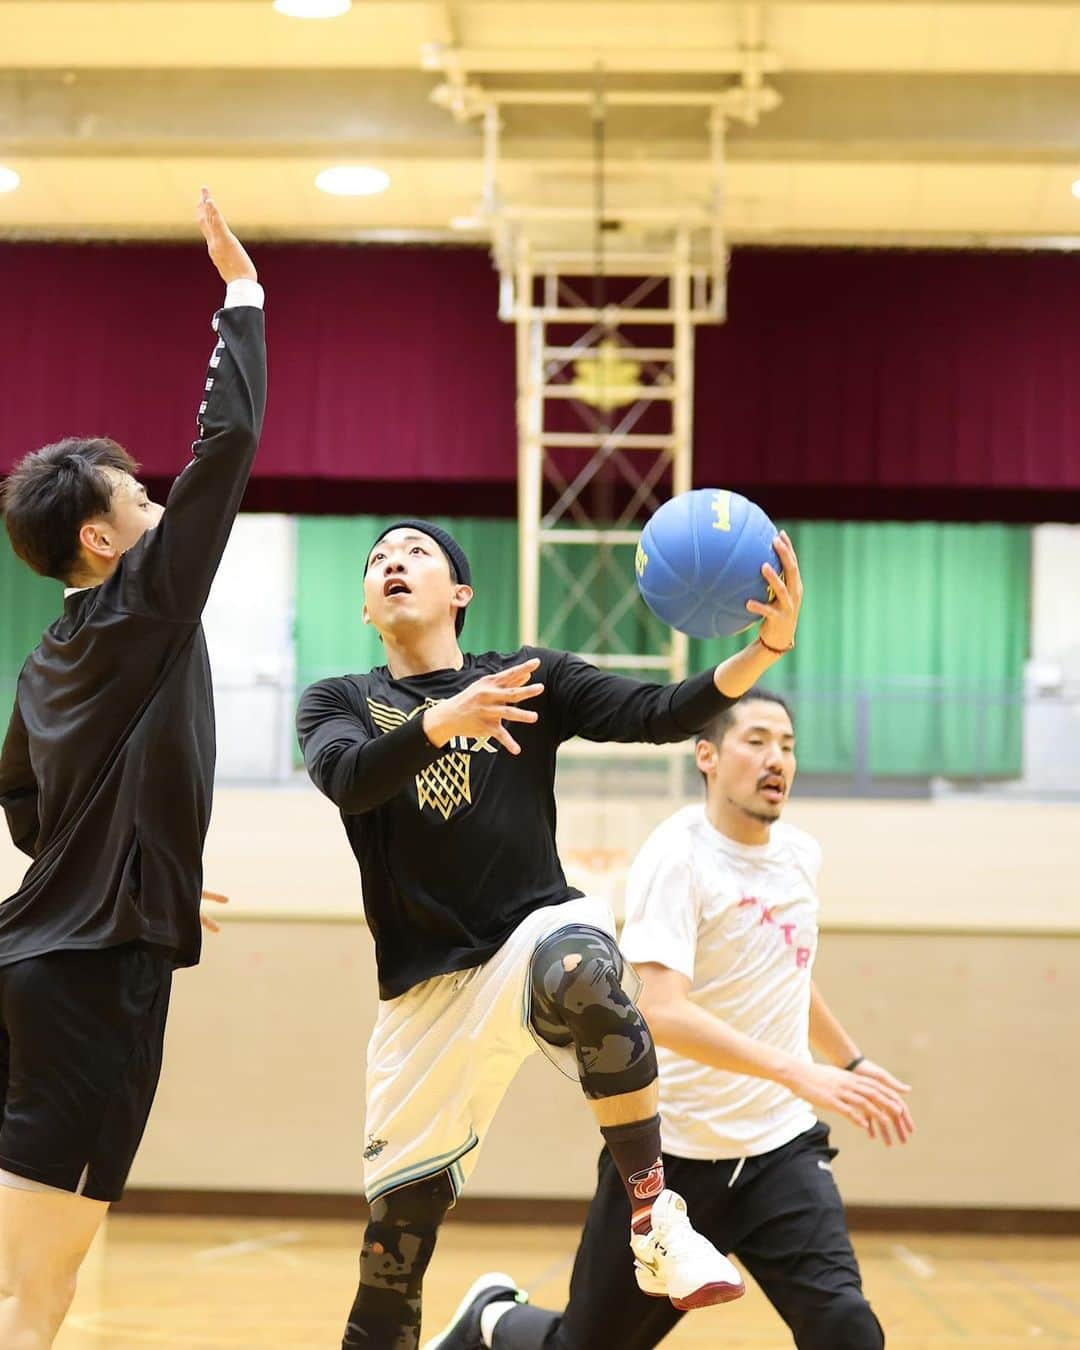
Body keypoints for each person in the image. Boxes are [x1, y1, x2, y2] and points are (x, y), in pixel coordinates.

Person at [297, 520, 814, 1350]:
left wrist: (761, 653)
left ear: (460, 594)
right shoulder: (337, 702)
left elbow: (659, 712)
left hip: (533, 934)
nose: (393, 562)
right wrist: (440, 721)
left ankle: (653, 1218)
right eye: (378, 559)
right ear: (367, 607)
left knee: (584, 969)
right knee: (394, 1258)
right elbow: (348, 781)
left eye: (416, 552)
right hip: (425, 997)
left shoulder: (525, 676)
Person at [439, 687, 914, 1350]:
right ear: (708, 756)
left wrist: (851, 1062)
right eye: (756, 741)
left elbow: (788, 972)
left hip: (780, 1152)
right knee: (585, 1346)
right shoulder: (679, 856)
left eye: (788, 745)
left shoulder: (801, 855)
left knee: (847, 1330)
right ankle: (490, 1317)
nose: (776, 758)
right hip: (677, 1164)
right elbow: (659, 1011)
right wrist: (802, 1074)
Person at [0, 190, 265, 1348]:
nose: (162, 507)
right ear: (101, 541)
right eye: (141, 502)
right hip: (93, 982)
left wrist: (140, 860)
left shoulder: (42, 662)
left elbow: (24, 807)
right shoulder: (141, 604)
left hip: (26, 954)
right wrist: (241, 297)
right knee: (33, 1292)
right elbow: (229, 448)